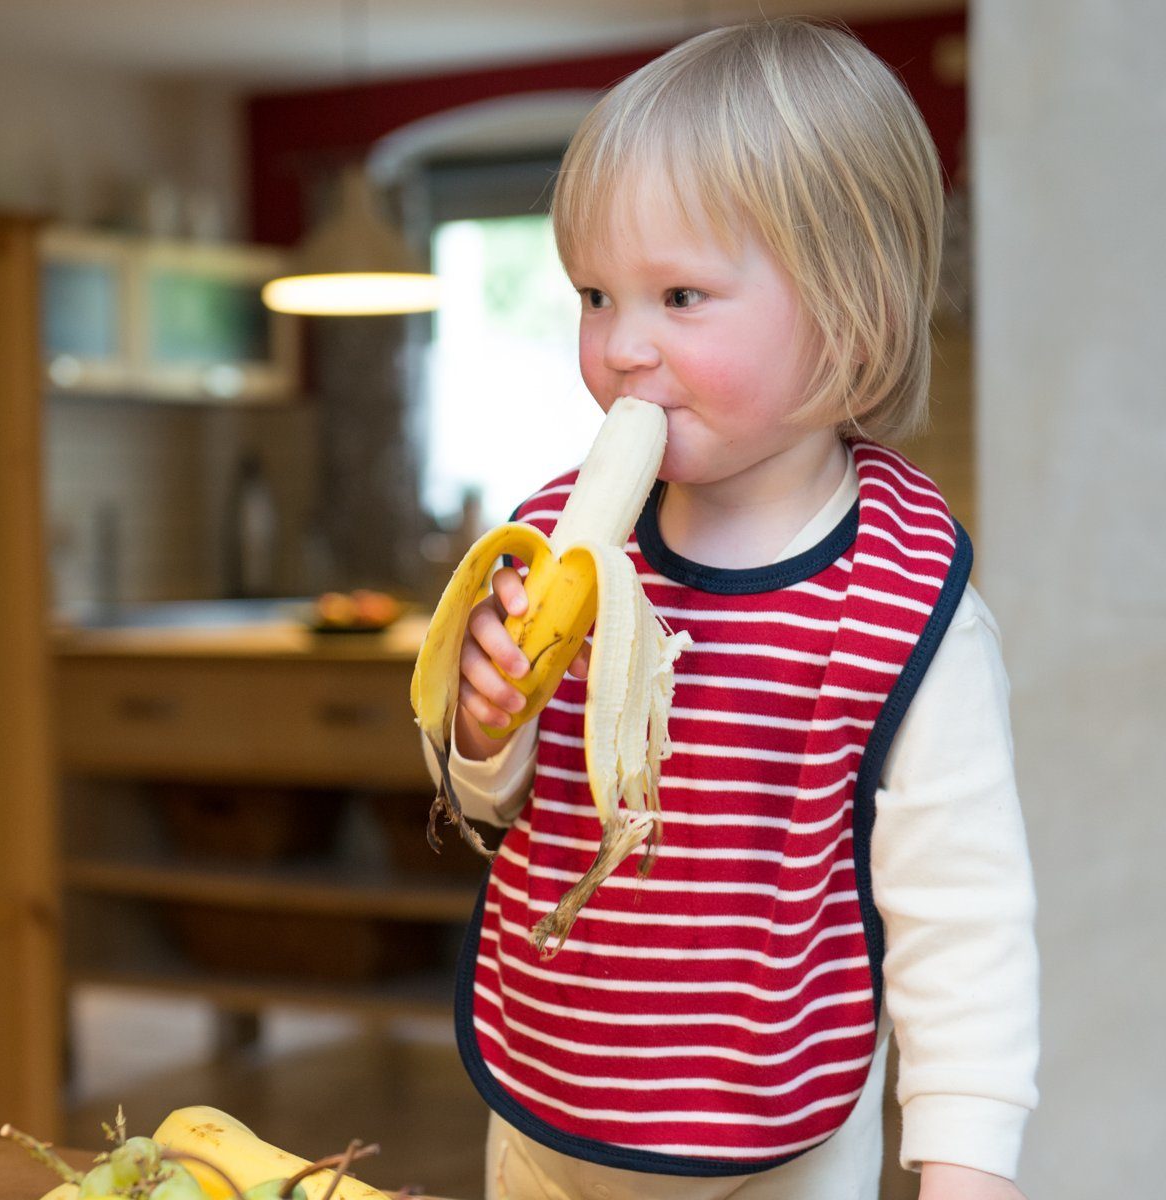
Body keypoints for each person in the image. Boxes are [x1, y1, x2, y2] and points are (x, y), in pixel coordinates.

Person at [423, 18, 1038, 1200]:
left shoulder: (909, 605)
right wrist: (485, 734)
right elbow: (496, 811)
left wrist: (968, 1165)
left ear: (850, 309)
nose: (621, 347)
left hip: (783, 1149)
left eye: (681, 295)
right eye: (596, 295)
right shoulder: (556, 541)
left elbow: (965, 919)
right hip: (553, 1120)